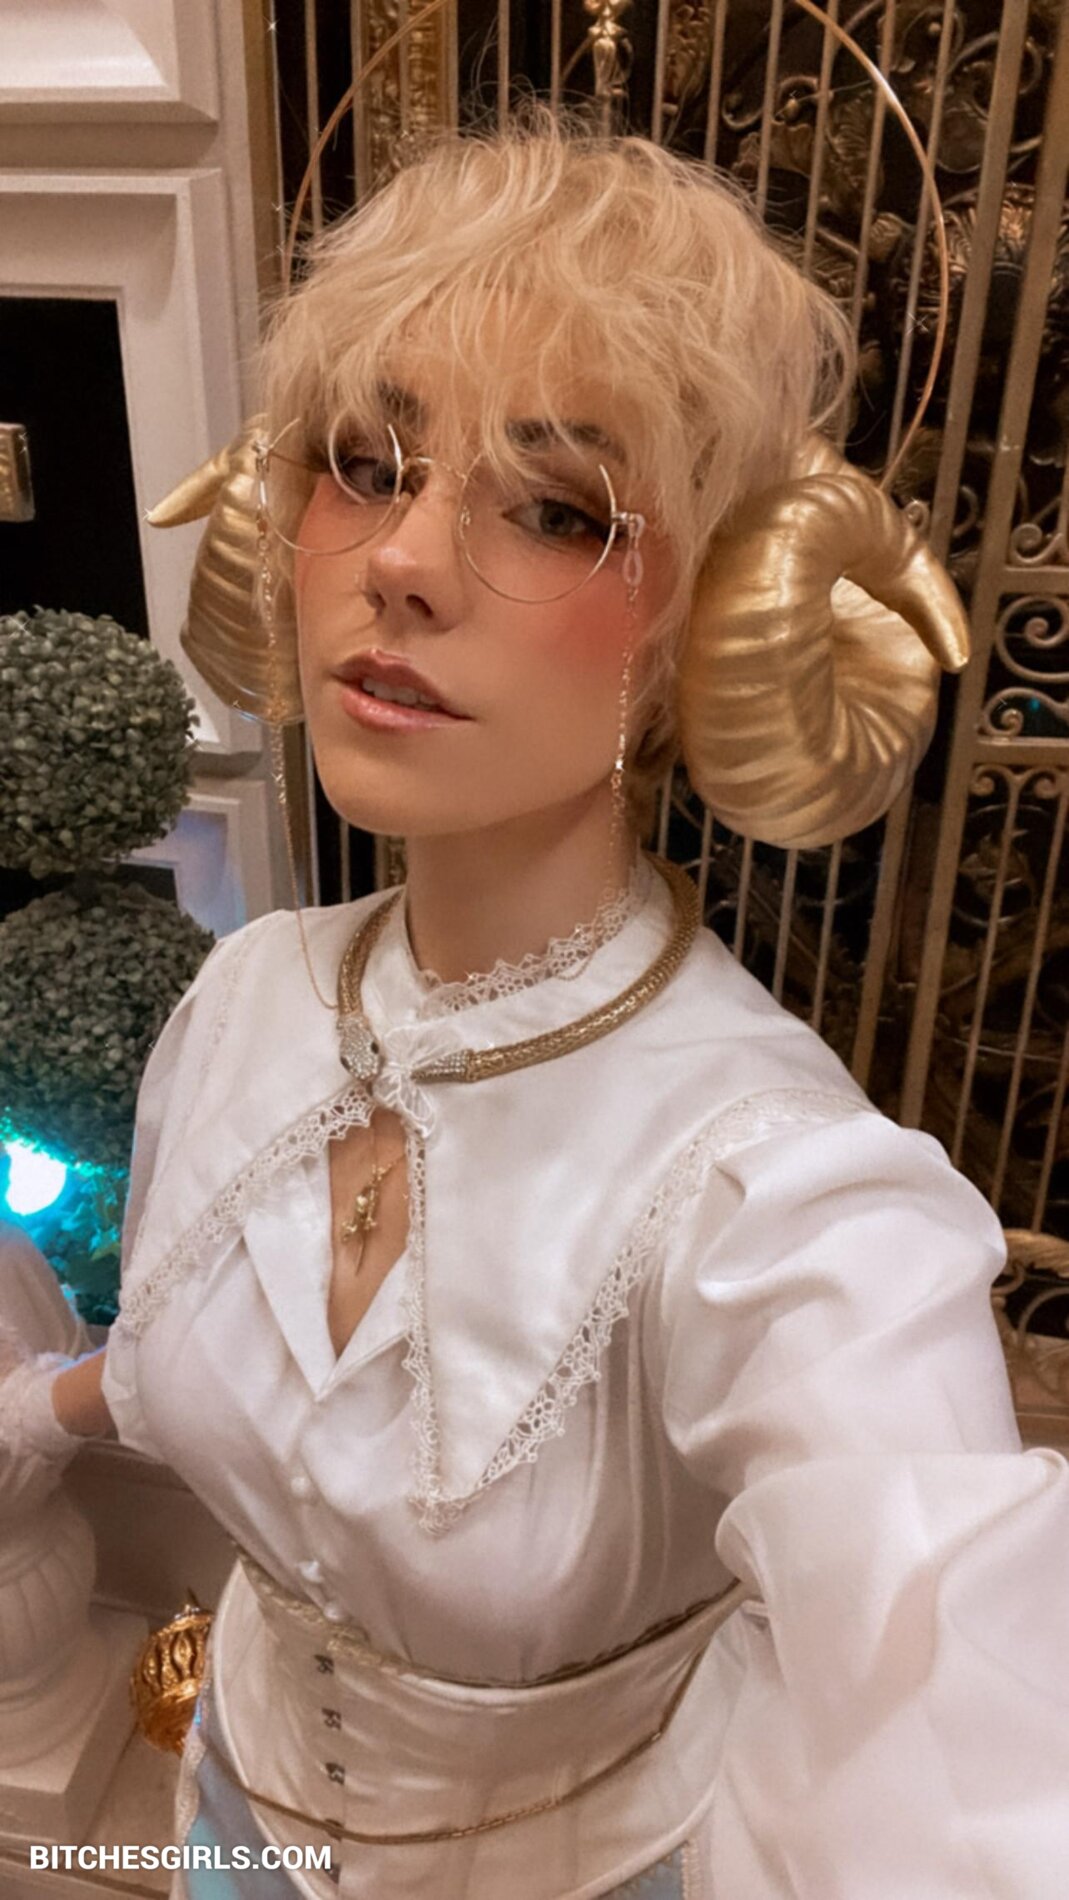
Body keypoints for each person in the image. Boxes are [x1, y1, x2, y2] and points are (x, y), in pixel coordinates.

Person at [4, 116, 1068, 1899]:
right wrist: (41, 1413)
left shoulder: (782, 1200)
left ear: (705, 612)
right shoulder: (247, 994)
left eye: (558, 508)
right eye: (364, 465)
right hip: (227, 1818)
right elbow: (224, 1358)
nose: (405, 561)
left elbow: (947, 1742)